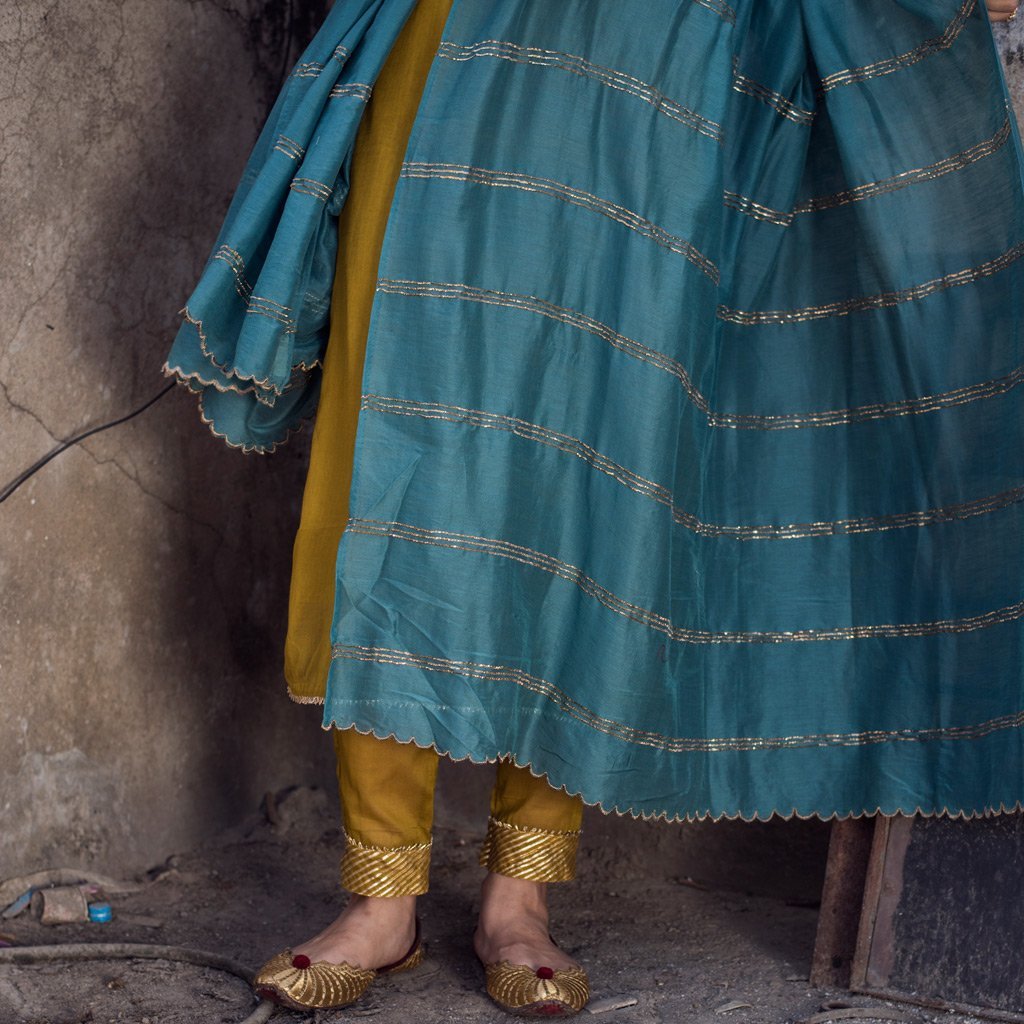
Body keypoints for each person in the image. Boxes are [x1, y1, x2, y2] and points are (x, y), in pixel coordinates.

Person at [165, 0, 1024, 1015]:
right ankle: (379, 893)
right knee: (398, 423)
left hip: (642, 48)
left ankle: (517, 899)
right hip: (451, 33)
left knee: (588, 461)